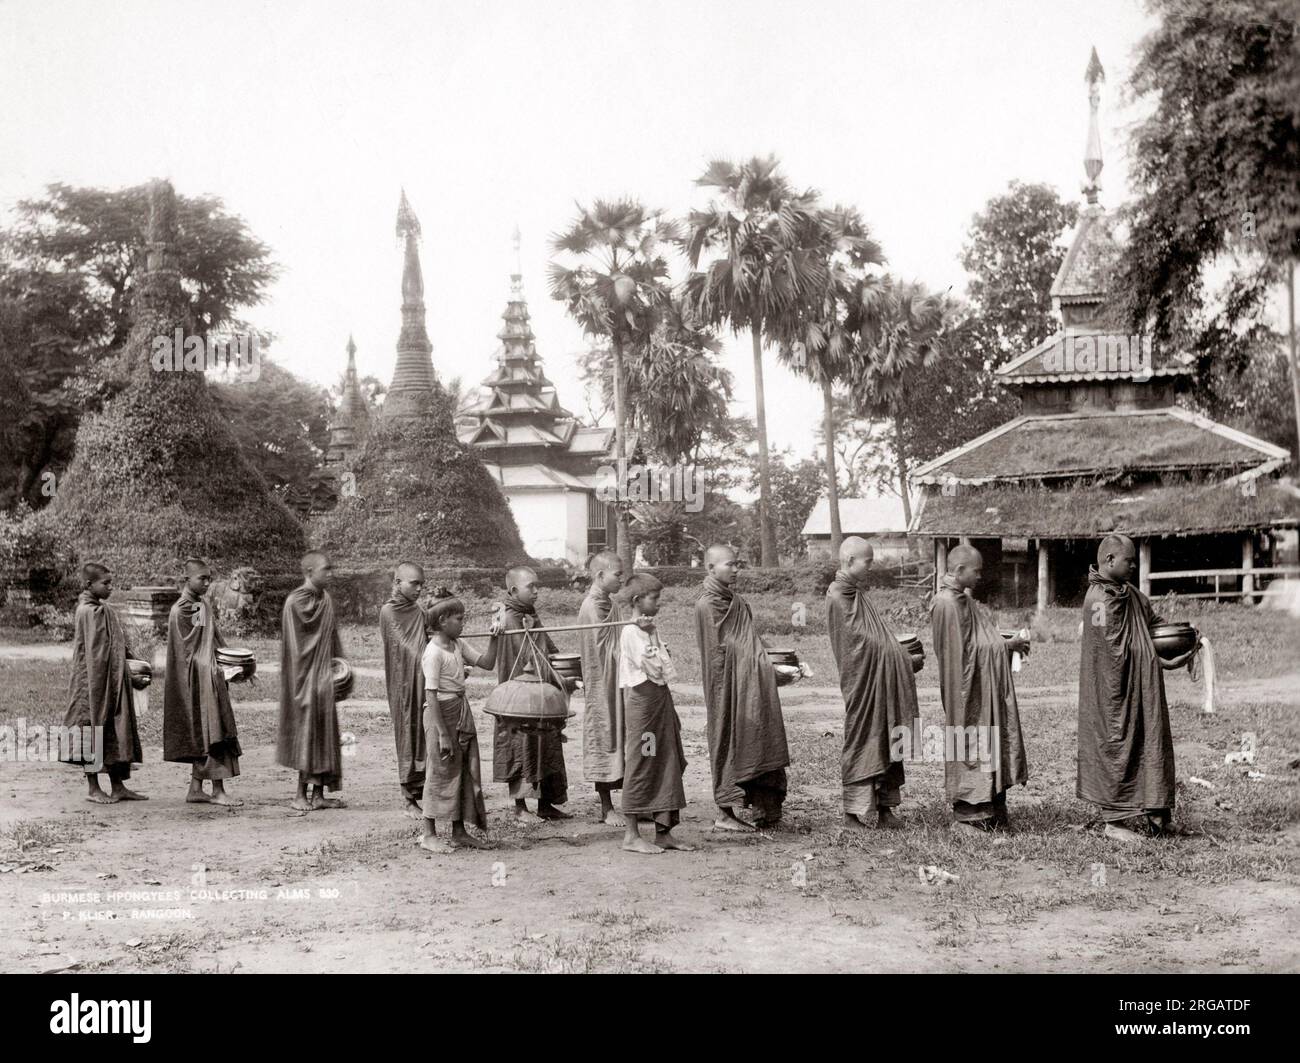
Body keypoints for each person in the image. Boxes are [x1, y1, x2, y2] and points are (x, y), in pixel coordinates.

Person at [1078, 534, 1195, 844]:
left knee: (1153, 742)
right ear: (1109, 561)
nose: (1133, 565)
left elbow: (1153, 626)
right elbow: (1113, 653)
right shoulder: (1098, 602)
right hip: (1112, 695)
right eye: (1129, 560)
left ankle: (1158, 815)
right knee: (1117, 746)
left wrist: (1182, 637)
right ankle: (1114, 822)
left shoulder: (1131, 595)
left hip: (1142, 688)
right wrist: (1157, 659)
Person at [931, 544, 1029, 834]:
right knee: (971, 742)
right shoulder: (946, 604)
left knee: (991, 738)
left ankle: (991, 808)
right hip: (964, 690)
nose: (980, 576)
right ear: (959, 570)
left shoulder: (964, 600)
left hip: (981, 685)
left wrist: (1000, 643)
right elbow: (961, 656)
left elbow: (978, 640)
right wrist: (1005, 646)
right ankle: (967, 816)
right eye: (976, 570)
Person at [694, 543, 789, 830]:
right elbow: (721, 651)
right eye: (729, 565)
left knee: (760, 733)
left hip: (751, 681)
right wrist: (761, 663)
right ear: (711, 568)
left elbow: (751, 638)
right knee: (728, 738)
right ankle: (725, 813)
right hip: (726, 687)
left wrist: (776, 659)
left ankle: (765, 807)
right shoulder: (706, 605)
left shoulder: (737, 601)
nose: (736, 570)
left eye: (738, 564)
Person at [826, 538, 918, 831]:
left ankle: (885, 810)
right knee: (863, 739)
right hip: (862, 683)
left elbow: (877, 636)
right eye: (867, 560)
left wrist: (896, 654)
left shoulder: (858, 594)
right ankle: (851, 814)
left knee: (888, 734)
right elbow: (856, 642)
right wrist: (899, 656)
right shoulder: (838, 595)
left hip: (880, 679)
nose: (871, 565)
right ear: (850, 560)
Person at [419, 588, 500, 853]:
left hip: (460, 711)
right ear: (443, 621)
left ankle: (459, 831)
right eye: (459, 619)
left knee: (464, 768)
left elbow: (487, 663)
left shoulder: (458, 645)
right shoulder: (433, 653)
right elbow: (430, 695)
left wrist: (494, 637)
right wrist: (443, 734)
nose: (463, 624)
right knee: (440, 771)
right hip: (439, 715)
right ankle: (428, 833)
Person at [617, 574, 693, 854]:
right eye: (654, 598)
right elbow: (657, 667)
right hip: (643, 709)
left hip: (660, 702)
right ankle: (631, 835)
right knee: (644, 761)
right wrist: (652, 640)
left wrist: (655, 640)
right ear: (638, 601)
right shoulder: (631, 632)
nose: (659, 603)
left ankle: (664, 832)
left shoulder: (649, 629)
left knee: (668, 759)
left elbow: (665, 665)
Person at [62, 563, 146, 803]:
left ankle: (118, 785)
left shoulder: (103, 610)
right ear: (89, 585)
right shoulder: (87, 612)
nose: (111, 587)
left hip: (110, 679)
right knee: (92, 726)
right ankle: (93, 788)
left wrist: (134, 662)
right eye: (105, 584)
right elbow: (98, 655)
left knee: (113, 728)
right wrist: (127, 675)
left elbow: (116, 646)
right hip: (92, 683)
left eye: (111, 583)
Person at [163, 557, 243, 807]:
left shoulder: (198, 605)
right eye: (202, 578)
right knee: (212, 730)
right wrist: (215, 669)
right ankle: (218, 790)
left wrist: (235, 663)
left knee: (206, 730)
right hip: (197, 680)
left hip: (207, 675)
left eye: (210, 578)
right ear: (187, 580)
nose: (207, 583)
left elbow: (206, 641)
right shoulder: (182, 610)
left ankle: (196, 788)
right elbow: (189, 653)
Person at [493, 565, 570, 819]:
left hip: (540, 690)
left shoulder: (530, 613)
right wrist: (554, 676)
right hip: (520, 696)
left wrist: (565, 668)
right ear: (513, 590)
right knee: (521, 744)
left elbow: (547, 646)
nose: (537, 591)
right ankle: (520, 807)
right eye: (531, 587)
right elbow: (526, 658)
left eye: (537, 586)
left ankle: (546, 804)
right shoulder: (507, 619)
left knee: (547, 742)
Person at [277, 551, 346, 812]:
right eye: (326, 569)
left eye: (331, 569)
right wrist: (314, 674)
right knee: (307, 735)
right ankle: (299, 794)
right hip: (304, 680)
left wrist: (340, 667)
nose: (330, 574)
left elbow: (331, 638)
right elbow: (298, 648)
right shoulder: (295, 602)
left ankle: (319, 794)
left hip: (325, 679)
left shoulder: (325, 599)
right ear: (308, 572)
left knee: (324, 733)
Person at [578, 550, 631, 825]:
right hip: (602, 682)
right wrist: (635, 650)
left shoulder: (609, 602)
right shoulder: (593, 605)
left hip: (617, 679)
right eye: (617, 574)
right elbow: (606, 647)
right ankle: (606, 807)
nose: (622, 579)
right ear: (600, 575)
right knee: (604, 734)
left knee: (622, 734)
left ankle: (634, 802)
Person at [380, 561, 428, 819]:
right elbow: (403, 646)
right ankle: (408, 798)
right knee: (407, 734)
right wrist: (427, 660)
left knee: (425, 733)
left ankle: (426, 792)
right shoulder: (389, 611)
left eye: (422, 584)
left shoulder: (418, 610)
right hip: (403, 684)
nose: (419, 588)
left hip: (423, 681)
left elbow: (427, 637)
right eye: (414, 583)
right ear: (398, 583)